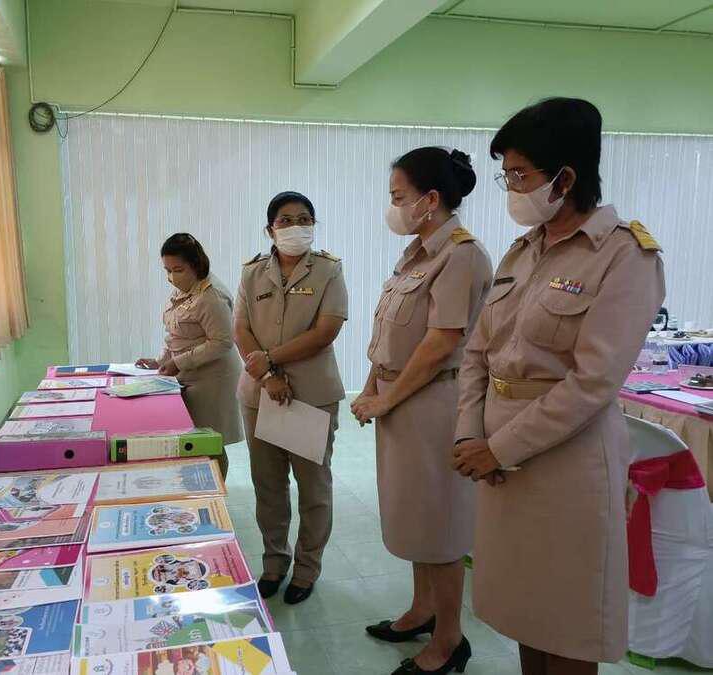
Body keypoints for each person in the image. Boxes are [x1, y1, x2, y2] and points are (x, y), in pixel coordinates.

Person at [452, 98, 665, 675]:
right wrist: (469, 434)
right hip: (497, 461)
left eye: (520, 174)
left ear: (565, 178)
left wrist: (499, 447)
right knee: (523, 610)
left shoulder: (624, 255)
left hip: (568, 466)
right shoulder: (523, 251)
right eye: (507, 174)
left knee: (567, 622)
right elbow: (477, 353)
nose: (511, 188)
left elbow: (593, 381)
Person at [351, 147, 492, 675]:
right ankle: (422, 610)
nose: (392, 207)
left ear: (430, 199)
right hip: (400, 401)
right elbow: (390, 334)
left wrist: (387, 398)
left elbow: (440, 343)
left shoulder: (462, 255)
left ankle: (450, 639)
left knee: (440, 523)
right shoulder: (416, 254)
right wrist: (372, 386)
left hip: (434, 404)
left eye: (398, 196)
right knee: (414, 514)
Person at [233, 191, 347, 605]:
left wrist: (271, 361)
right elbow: (241, 330)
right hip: (260, 395)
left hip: (309, 396)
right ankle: (274, 563)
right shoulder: (252, 273)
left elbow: (325, 331)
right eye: (285, 220)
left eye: (304, 219)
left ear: (313, 225)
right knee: (268, 486)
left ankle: (306, 568)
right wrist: (267, 375)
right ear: (270, 229)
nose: (295, 226)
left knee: (312, 489)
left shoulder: (329, 270)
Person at [136, 233, 244, 478]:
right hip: (187, 374)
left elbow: (222, 342)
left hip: (212, 379)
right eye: (167, 271)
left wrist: (178, 362)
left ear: (196, 265)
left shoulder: (211, 296)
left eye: (178, 270)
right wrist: (161, 360)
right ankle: (197, 487)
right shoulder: (182, 290)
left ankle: (214, 492)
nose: (172, 278)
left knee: (210, 443)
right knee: (192, 441)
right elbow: (177, 333)